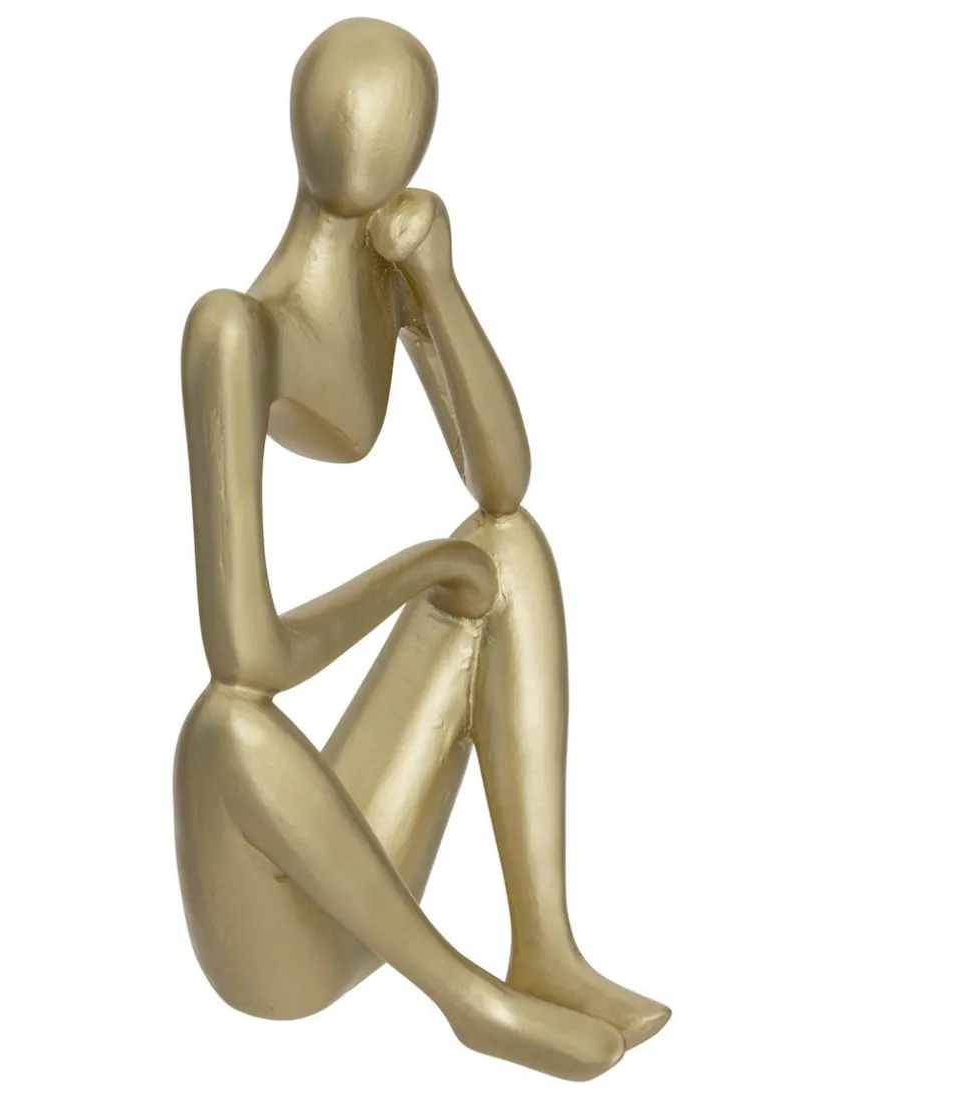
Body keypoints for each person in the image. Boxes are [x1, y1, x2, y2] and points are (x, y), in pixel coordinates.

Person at [174, 17, 669, 1081]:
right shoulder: (232, 331)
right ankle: (469, 999)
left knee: (512, 547)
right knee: (224, 725)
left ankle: (543, 948)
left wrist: (437, 282)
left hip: (363, 896)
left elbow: (503, 484)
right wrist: (421, 567)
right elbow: (248, 656)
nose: (361, 129)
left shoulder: (389, 278)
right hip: (265, 949)